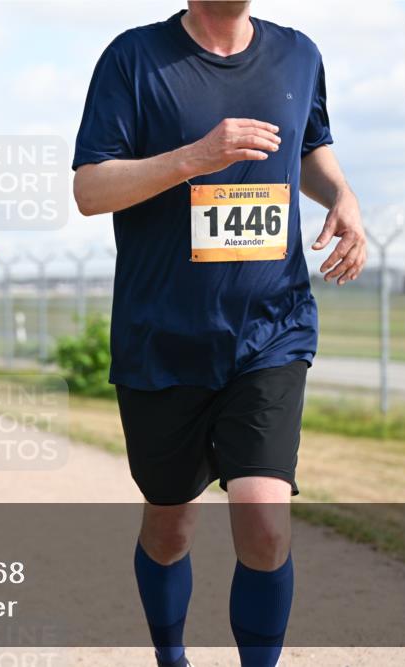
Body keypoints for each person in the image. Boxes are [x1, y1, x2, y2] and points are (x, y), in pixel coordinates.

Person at [72, 3, 366, 666]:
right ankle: (171, 655)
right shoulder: (135, 58)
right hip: (162, 337)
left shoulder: (299, 55)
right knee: (171, 525)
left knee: (264, 523)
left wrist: (342, 196)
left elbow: (310, 145)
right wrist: (198, 156)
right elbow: (90, 188)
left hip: (271, 329)